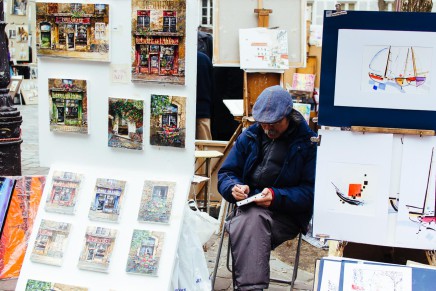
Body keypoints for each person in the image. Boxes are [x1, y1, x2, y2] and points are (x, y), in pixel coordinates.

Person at [217, 85, 317, 290]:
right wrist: (233, 187)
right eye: (263, 123)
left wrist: (276, 196)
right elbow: (226, 173)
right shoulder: (250, 135)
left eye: (274, 123)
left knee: (250, 221)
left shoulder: (307, 143)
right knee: (251, 217)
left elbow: (312, 192)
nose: (267, 128)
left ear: (288, 116)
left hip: (286, 215)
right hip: (248, 206)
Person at [196, 51, 213, 140]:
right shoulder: (204, 58)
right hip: (203, 108)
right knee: (205, 148)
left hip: (185, 106)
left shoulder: (182, 59)